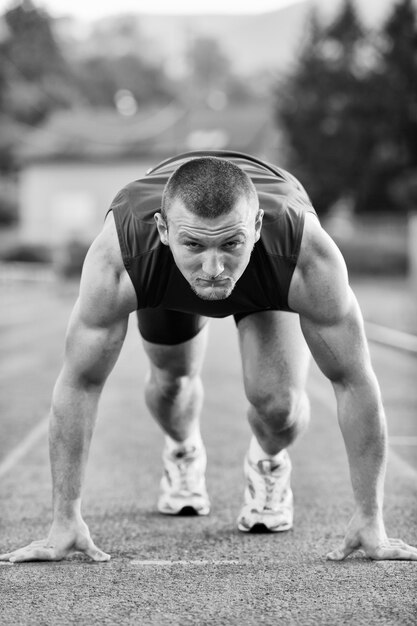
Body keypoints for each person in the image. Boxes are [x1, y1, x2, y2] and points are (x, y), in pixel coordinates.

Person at [1, 150, 416, 564]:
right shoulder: (122, 257)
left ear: (255, 227)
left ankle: (268, 462)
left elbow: (354, 379)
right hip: (167, 275)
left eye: (230, 243)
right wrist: (64, 519)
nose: (215, 267)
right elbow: (80, 381)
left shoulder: (304, 254)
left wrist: (371, 517)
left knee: (280, 408)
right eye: (195, 244)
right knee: (171, 388)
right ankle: (183, 451)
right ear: (163, 229)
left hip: (265, 272)